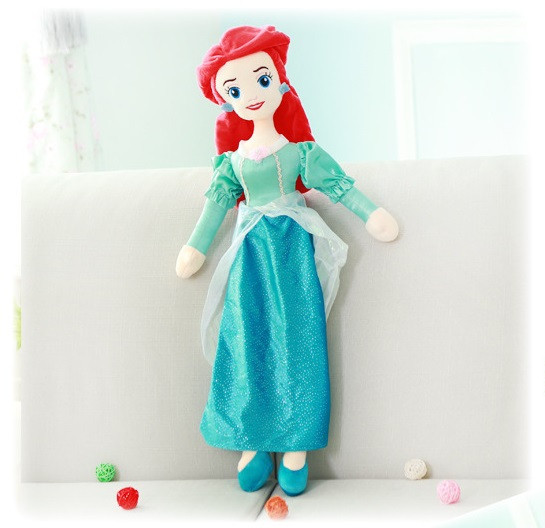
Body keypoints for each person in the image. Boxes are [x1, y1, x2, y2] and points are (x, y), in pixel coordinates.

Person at [175, 25, 399, 496]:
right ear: (226, 100)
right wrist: (195, 247)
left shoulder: (300, 153)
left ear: (279, 82)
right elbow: (215, 207)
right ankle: (253, 442)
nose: (252, 95)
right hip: (250, 256)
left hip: (294, 251)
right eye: (235, 89)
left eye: (261, 80)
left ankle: (296, 446)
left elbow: (339, 187)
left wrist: (372, 214)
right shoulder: (232, 163)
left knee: (300, 339)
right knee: (246, 338)